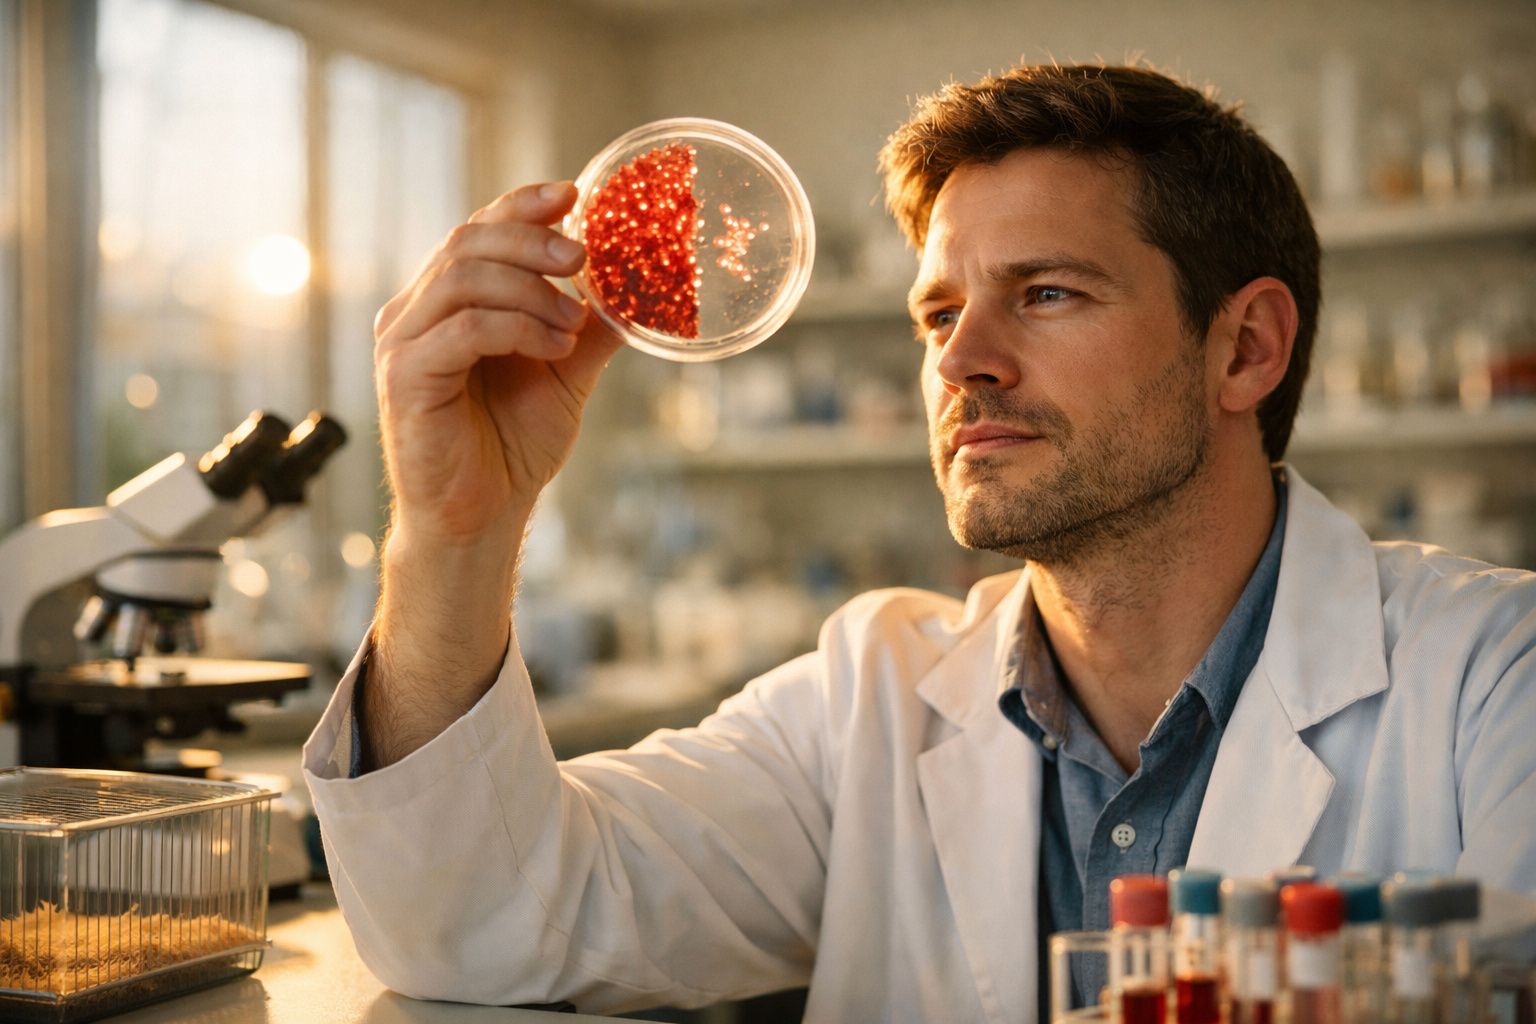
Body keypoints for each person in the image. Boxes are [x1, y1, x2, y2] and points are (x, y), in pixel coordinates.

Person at [303, 63, 1536, 1022]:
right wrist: (461, 525)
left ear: (1244, 348)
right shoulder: (869, 702)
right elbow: (476, 927)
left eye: (1046, 292)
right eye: (939, 311)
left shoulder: (1492, 674)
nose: (959, 361)